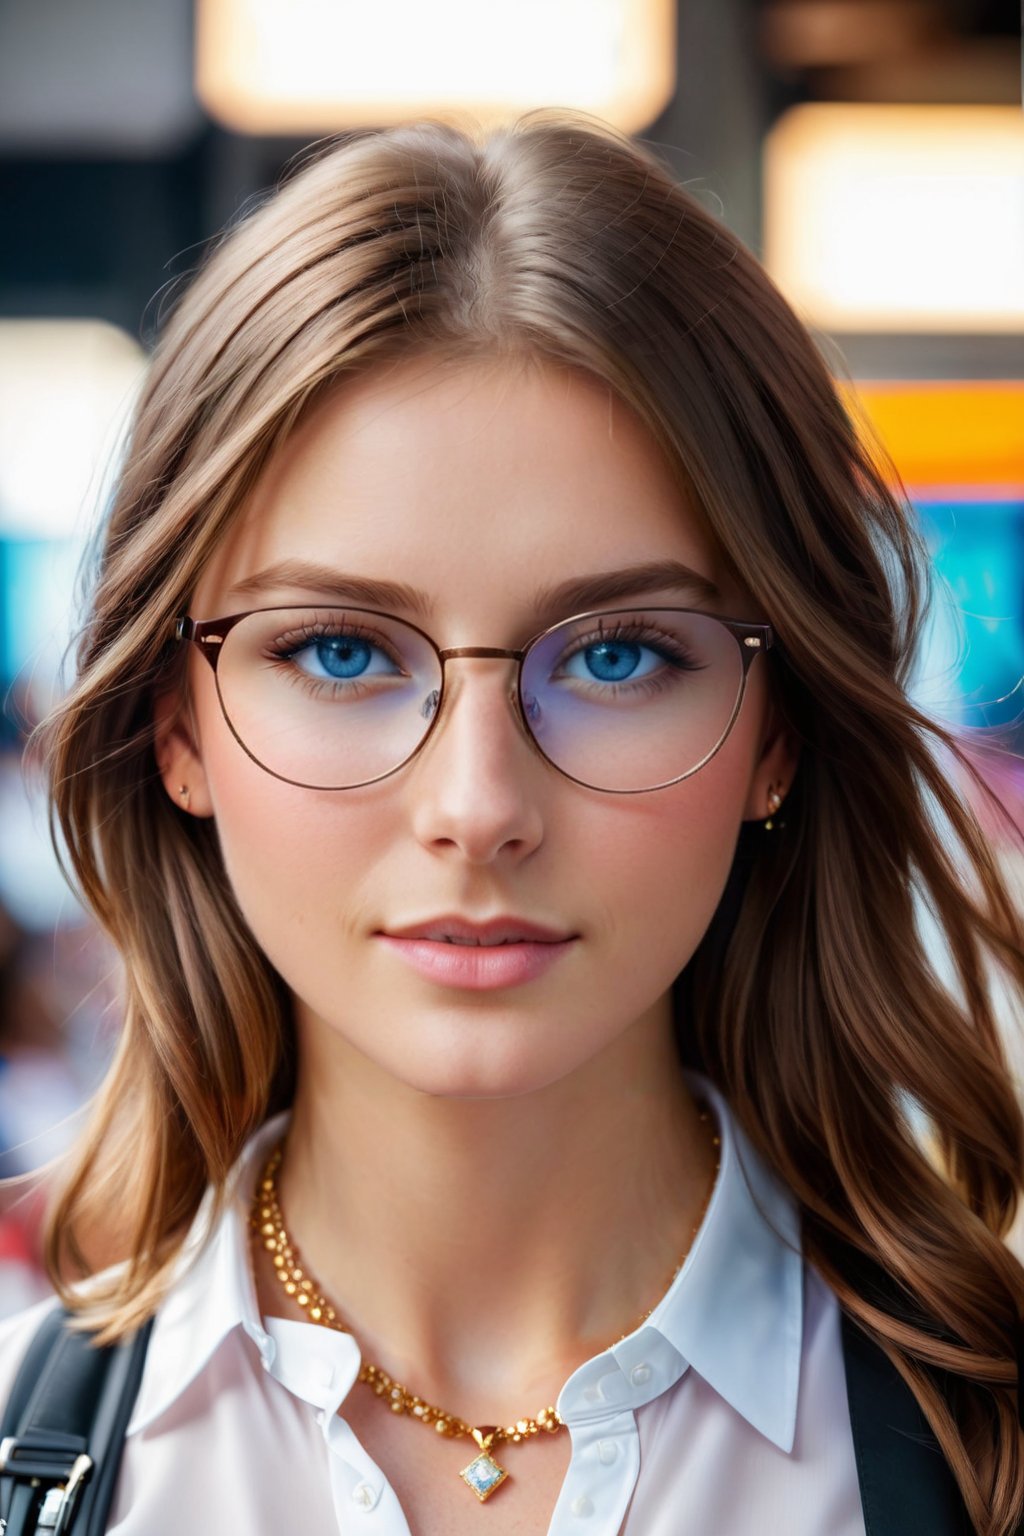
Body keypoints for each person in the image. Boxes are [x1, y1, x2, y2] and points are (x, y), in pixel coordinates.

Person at [2, 109, 1022, 1535]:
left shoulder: (990, 1453)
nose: (477, 810)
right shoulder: (22, 1444)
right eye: (343, 652)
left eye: (615, 655)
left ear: (778, 728)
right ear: (176, 727)